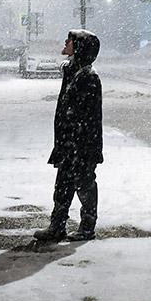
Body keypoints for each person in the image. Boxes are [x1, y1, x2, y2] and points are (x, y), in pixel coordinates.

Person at [34, 29, 103, 243]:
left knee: (84, 185)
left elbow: (90, 118)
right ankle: (57, 226)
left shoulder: (89, 78)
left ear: (80, 47)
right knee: (62, 187)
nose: (66, 42)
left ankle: (87, 228)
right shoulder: (72, 71)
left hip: (82, 144)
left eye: (71, 40)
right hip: (67, 142)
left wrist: (84, 147)